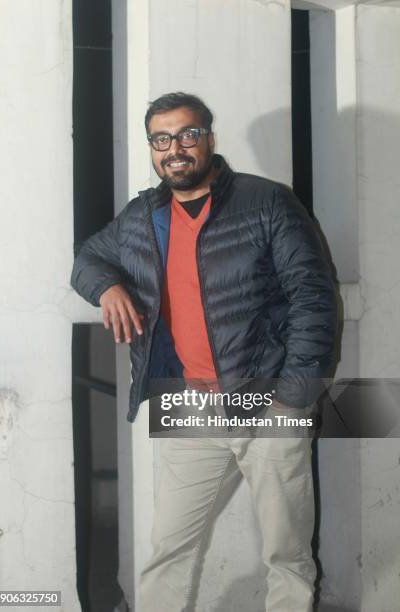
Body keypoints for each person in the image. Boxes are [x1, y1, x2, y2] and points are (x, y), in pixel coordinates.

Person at [70, 92, 337, 611]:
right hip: (193, 407)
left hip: (269, 402)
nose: (175, 148)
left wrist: (295, 397)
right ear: (152, 149)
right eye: (161, 139)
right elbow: (86, 258)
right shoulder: (143, 216)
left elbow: (314, 296)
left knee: (286, 552)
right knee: (170, 546)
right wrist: (108, 287)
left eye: (187, 134)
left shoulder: (266, 201)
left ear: (209, 140)